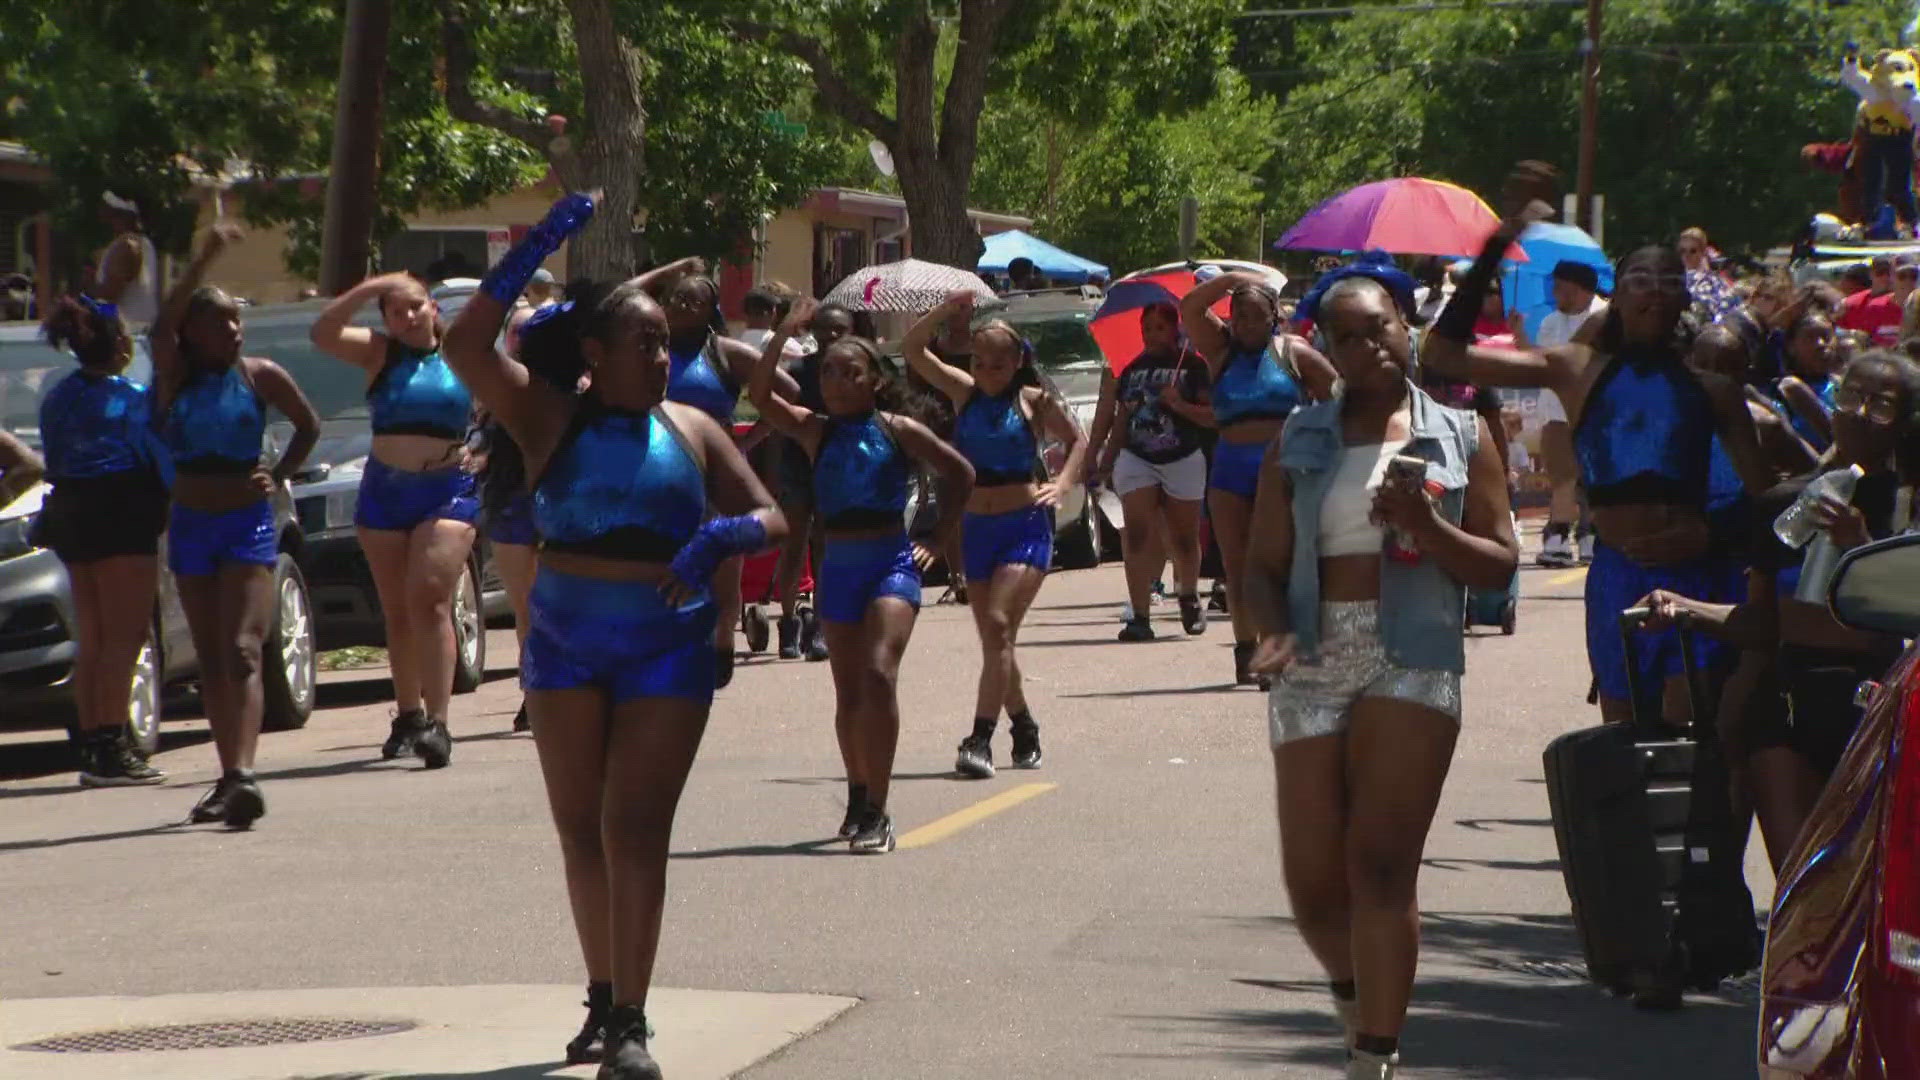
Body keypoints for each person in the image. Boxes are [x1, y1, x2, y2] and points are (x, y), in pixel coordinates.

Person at [442, 192, 786, 1079]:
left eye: (667, 344)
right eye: (645, 343)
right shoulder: (548, 416)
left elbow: (774, 516)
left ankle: (632, 1021)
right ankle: (600, 995)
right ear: (594, 355)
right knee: (578, 829)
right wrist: (537, 245)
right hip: (562, 639)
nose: (663, 357)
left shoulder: (697, 428)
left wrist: (721, 536)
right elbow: (464, 347)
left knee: (635, 828)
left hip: (666, 646)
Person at [1243, 274, 1518, 1080]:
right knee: (1314, 882)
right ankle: (1351, 993)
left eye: (1379, 329)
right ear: (1323, 347)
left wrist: (1426, 525)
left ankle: (1375, 1054)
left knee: (1382, 866)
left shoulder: (1463, 433)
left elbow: (1500, 569)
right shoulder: (1296, 439)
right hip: (1313, 652)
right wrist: (1273, 629)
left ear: (1407, 326)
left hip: (1413, 652)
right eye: (1346, 337)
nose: (1367, 348)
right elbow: (1260, 565)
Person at [1423, 174, 1771, 733]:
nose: (1654, 289)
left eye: (1667, 278)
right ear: (1620, 294)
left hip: (1698, 575)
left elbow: (1766, 502)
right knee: (1624, 735)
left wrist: (1713, 535)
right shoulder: (1576, 369)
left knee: (1692, 735)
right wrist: (1494, 248)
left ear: (1684, 295)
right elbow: (1442, 353)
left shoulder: (1713, 390)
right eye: (1639, 278)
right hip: (1616, 573)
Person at [1640, 349, 1920, 869]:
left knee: (1864, 880)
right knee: (1798, 879)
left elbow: (1889, 626)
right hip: (1786, 702)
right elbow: (1763, 625)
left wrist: (1859, 546)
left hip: (1876, 706)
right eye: (1852, 396)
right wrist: (1687, 609)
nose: (1860, 413)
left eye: (1881, 405)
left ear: (1905, 423)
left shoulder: (1908, 507)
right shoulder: (1785, 504)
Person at [750, 298, 973, 850]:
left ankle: (879, 807)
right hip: (838, 568)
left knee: (878, 674)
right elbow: (759, 396)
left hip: (891, 562)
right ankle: (856, 792)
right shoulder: (814, 430)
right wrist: (782, 333)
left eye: (851, 372)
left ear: (875, 381)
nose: (837, 381)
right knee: (848, 694)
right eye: (827, 371)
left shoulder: (897, 429)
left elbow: (961, 474)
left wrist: (938, 540)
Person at [150, 225, 320, 827]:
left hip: (248, 524)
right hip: (192, 523)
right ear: (191, 334)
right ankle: (228, 774)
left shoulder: (261, 375)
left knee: (246, 648)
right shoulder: (174, 377)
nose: (233, 331)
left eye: (236, 322)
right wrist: (207, 255)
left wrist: (278, 472)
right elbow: (160, 323)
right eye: (220, 323)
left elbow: (309, 425)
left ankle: (246, 775)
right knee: (213, 657)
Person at [903, 290, 1087, 779]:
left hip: (1024, 526)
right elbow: (912, 349)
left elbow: (1078, 441)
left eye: (997, 364)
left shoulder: (1032, 401)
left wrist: (1063, 483)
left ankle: (979, 738)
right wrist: (946, 311)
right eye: (980, 362)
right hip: (975, 529)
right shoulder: (963, 393)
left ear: (1016, 362)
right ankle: (1023, 726)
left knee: (1000, 627)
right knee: (994, 643)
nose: (986, 371)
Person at [309, 272, 478, 769]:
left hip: (446, 490)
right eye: (395, 311)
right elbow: (322, 332)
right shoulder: (380, 353)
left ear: (434, 309)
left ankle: (440, 724)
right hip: (384, 492)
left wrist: (484, 451)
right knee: (399, 611)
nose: (406, 317)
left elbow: (502, 409)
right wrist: (373, 286)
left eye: (415, 307)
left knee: (429, 599)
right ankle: (409, 715)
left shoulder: (461, 356)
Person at [632, 258, 799, 686]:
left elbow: (789, 394)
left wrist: (746, 441)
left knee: (724, 562)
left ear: (712, 311)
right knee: (658, 561)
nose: (682, 306)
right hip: (654, 467)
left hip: (716, 470)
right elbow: (621, 298)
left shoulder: (725, 353)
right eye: (676, 298)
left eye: (694, 300)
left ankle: (723, 640)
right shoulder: (647, 345)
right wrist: (672, 269)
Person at [34, 294, 172, 785]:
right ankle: (113, 742)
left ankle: (92, 742)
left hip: (72, 511)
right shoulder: (130, 399)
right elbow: (155, 453)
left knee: (92, 635)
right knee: (126, 635)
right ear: (119, 348)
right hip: (122, 509)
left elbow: (51, 452)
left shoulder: (58, 395)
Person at [1180, 268, 1338, 686]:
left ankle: (1275, 652)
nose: (1247, 325)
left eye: (1256, 316)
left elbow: (1337, 398)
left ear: (1274, 316)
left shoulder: (1294, 352)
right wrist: (1229, 278)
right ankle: (1245, 649)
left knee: (1276, 562)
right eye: (1240, 316)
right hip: (1230, 465)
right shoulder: (1219, 351)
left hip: (1283, 467)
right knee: (1236, 566)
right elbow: (1190, 307)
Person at [1089, 301, 1213, 641]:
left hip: (1183, 456)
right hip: (1138, 457)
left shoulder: (1193, 367)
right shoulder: (1131, 370)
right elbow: (1121, 420)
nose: (1152, 335)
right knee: (1138, 532)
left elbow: (1212, 416)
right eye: (1147, 329)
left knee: (1184, 536)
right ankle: (1140, 615)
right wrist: (1104, 461)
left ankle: (1188, 594)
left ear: (1175, 329)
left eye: (1160, 327)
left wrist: (1180, 404)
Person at [771, 302, 869, 661]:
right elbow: (777, 422)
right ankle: (787, 622)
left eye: (838, 330)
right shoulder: (799, 369)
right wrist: (772, 473)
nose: (829, 336)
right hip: (798, 466)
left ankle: (823, 626)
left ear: (852, 333)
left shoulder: (862, 375)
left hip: (838, 468)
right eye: (823, 329)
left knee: (827, 546)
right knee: (794, 543)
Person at [472, 302, 544, 733]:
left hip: (561, 504)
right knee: (526, 608)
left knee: (560, 604)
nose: (524, 338)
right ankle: (533, 693)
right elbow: (477, 437)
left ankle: (571, 689)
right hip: (511, 501)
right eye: (518, 331)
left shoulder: (575, 381)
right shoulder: (492, 387)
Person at [1512, 262, 1607, 566]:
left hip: (1596, 410)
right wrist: (1518, 334)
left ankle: (1588, 535)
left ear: (1577, 288)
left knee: (1595, 478)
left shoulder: (1605, 317)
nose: (1554, 292)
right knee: (1562, 477)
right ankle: (1559, 538)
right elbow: (1540, 361)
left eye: (1559, 286)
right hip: (1555, 410)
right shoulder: (1552, 321)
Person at [93, 192, 161, 327]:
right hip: (142, 331)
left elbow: (110, 297)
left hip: (128, 332)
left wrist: (90, 292)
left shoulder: (126, 246)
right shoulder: (145, 244)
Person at [1776, 312, 1841, 450]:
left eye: (1826, 337)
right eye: (1810, 338)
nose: (1821, 344)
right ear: (1791, 347)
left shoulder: (1845, 387)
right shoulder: (1780, 393)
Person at [1836, 255, 1905, 348]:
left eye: (1890, 273)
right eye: (1880, 273)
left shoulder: (1907, 303)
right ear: (1871, 274)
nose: (1885, 278)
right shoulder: (1850, 304)